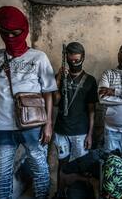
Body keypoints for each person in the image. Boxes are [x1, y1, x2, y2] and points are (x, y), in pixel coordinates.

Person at [0, 6, 57, 199]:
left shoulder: (39, 57)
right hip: (2, 128)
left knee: (40, 169)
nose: (11, 36)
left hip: (34, 125)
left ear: (25, 30)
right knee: (1, 175)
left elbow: (48, 92)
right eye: (6, 33)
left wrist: (48, 124)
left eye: (16, 32)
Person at [53, 42, 98, 198]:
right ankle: (60, 193)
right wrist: (58, 79)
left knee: (81, 166)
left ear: (83, 58)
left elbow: (92, 110)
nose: (74, 63)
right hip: (61, 130)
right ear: (66, 57)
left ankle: (81, 195)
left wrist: (90, 134)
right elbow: (55, 102)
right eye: (71, 60)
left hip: (80, 131)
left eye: (77, 60)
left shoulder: (90, 81)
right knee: (62, 164)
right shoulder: (60, 77)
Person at [58, 149, 122, 199]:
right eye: (106, 194)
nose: (108, 197)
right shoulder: (93, 159)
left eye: (114, 197)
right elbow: (63, 174)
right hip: (91, 186)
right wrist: (90, 181)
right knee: (74, 193)